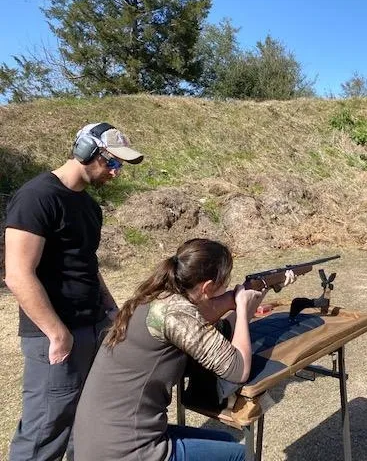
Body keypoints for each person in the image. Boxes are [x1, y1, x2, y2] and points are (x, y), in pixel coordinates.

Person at [4, 122, 144, 461]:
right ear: (85, 151)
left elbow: (87, 266)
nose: (116, 172)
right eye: (112, 162)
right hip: (57, 335)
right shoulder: (38, 197)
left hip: (92, 327)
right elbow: (18, 274)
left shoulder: (89, 207)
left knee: (82, 423)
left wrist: (111, 311)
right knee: (44, 432)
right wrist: (57, 334)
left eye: (120, 165)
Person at [72, 238, 269, 461]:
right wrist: (243, 310)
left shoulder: (158, 298)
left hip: (101, 439)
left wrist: (245, 301)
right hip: (127, 450)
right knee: (244, 456)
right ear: (206, 288)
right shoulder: (177, 314)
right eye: (223, 286)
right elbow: (238, 368)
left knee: (225, 441)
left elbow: (207, 328)